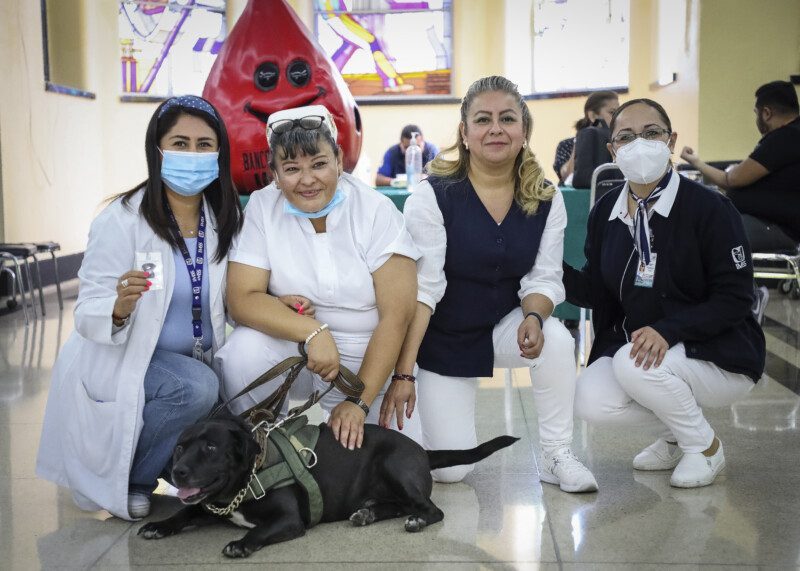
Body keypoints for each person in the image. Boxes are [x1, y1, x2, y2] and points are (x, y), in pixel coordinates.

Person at [382, 76, 598, 492]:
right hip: (443, 337)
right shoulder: (432, 196)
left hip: (505, 326)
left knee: (554, 338)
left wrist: (534, 314)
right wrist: (404, 373)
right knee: (451, 470)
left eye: (507, 118)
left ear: (524, 130)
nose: (495, 128)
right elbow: (424, 291)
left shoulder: (546, 198)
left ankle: (557, 454)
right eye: (482, 119)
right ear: (464, 133)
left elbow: (546, 275)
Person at [36, 95, 244, 520]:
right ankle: (134, 479)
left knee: (226, 401)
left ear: (219, 153)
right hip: (130, 355)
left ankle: (166, 464)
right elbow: (87, 307)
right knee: (195, 388)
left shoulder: (224, 217)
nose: (192, 154)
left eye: (205, 145)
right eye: (180, 143)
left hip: (198, 356)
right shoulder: (122, 219)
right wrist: (116, 308)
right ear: (157, 150)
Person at [564, 98, 766, 488]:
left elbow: (735, 297)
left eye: (651, 133)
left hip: (718, 350)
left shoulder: (709, 209)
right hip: (642, 350)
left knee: (630, 363)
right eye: (625, 137)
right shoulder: (605, 210)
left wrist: (670, 329)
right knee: (590, 398)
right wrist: (548, 268)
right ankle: (678, 431)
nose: (638, 144)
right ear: (612, 150)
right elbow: (598, 290)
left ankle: (704, 447)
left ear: (671, 140)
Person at [215, 104, 422, 451]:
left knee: (391, 461)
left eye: (319, 164)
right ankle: (263, 449)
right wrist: (313, 332)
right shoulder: (263, 209)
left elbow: (397, 314)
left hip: (370, 351)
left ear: (339, 160)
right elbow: (242, 298)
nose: (308, 179)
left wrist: (359, 402)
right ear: (275, 174)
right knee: (242, 353)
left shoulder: (374, 209)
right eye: (292, 168)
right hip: (294, 342)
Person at [680, 80, 800, 252]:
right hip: (770, 226)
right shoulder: (792, 136)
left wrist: (696, 162)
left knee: (700, 233)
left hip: (775, 229)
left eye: (756, 113)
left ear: (766, 113)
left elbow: (731, 180)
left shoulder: (784, 137)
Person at [553, 91, 619, 186]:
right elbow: (566, 176)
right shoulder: (567, 145)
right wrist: (580, 143)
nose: (616, 118)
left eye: (618, 113)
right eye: (612, 113)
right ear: (592, 115)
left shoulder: (618, 143)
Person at [375, 124, 439, 186]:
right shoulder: (392, 152)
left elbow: (442, 178)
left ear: (423, 141)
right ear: (401, 143)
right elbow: (378, 179)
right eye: (407, 147)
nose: (412, 152)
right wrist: (396, 182)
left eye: (417, 146)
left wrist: (427, 179)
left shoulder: (432, 151)